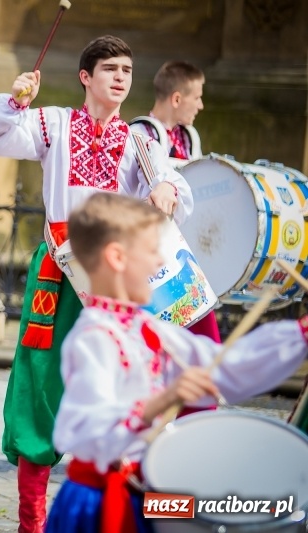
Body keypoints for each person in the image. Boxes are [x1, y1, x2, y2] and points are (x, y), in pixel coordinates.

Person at [0, 35, 193, 533]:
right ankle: (32, 518)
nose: (120, 77)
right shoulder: (52, 124)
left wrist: (165, 185)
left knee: (126, 376)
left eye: (128, 70)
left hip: (113, 277)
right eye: (110, 68)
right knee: (40, 380)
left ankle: (122, 508)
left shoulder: (142, 141)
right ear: (86, 77)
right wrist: (14, 100)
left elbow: (179, 186)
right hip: (57, 269)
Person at [45, 192, 308, 532]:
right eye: (152, 251)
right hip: (98, 502)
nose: (159, 263)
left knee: (224, 513)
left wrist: (300, 336)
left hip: (147, 491)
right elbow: (82, 431)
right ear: (117, 257)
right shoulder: (94, 337)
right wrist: (164, 400)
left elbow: (223, 367)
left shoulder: (149, 329)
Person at [129, 61, 221, 350]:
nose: (202, 105)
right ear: (177, 98)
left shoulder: (188, 136)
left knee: (198, 332)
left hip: (181, 250)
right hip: (152, 253)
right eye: (197, 97)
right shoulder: (142, 134)